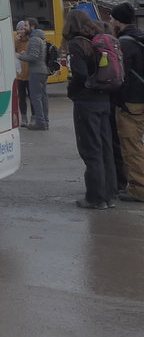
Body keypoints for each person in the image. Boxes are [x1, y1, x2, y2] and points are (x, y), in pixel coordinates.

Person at [68, 18, 119, 209]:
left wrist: (71, 90)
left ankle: (95, 197)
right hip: (103, 99)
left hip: (86, 101)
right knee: (106, 148)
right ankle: (109, 195)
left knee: (91, 149)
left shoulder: (77, 44)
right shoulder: (99, 42)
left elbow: (79, 74)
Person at [109, 2, 144, 203]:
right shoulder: (139, 37)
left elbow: (119, 76)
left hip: (132, 101)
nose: (110, 21)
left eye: (112, 18)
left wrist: (118, 99)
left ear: (118, 20)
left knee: (131, 146)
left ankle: (139, 189)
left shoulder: (124, 43)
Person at [16, 17, 49, 130]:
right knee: (43, 97)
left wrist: (20, 56)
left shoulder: (34, 39)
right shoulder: (39, 37)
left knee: (36, 98)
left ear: (32, 27)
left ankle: (40, 122)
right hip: (42, 71)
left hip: (36, 72)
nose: (24, 28)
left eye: (25, 26)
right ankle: (45, 121)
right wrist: (27, 52)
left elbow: (34, 57)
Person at [13, 20, 31, 119]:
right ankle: (24, 117)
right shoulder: (16, 40)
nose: (20, 32)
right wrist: (16, 40)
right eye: (18, 30)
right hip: (19, 75)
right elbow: (12, 51)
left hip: (29, 74)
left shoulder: (30, 40)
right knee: (22, 98)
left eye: (22, 29)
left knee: (33, 97)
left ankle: (34, 117)